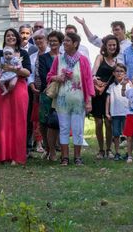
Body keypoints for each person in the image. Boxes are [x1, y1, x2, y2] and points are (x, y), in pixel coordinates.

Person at [46, 32, 94, 166]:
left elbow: (88, 81)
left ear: (75, 44)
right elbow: (49, 76)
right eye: (64, 41)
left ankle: (77, 157)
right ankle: (65, 157)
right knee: (64, 128)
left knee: (78, 129)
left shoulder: (83, 60)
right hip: (62, 101)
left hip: (79, 102)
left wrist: (89, 101)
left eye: (67, 41)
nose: (64, 43)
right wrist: (57, 78)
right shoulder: (58, 59)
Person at [0, 28, 31, 165]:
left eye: (13, 35)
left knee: (18, 121)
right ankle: (2, 156)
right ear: (4, 38)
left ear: (17, 38)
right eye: (8, 36)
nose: (10, 37)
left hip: (19, 88)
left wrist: (12, 70)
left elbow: (28, 72)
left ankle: (16, 157)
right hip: (2, 89)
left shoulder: (23, 53)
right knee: (2, 120)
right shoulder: (0, 53)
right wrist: (1, 77)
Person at [91, 34, 120, 159]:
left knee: (108, 122)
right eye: (110, 45)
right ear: (105, 46)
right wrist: (94, 78)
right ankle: (101, 149)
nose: (112, 47)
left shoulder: (117, 62)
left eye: (114, 45)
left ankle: (109, 149)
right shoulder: (100, 57)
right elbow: (94, 70)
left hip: (110, 95)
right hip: (98, 94)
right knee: (98, 123)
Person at [36, 31, 63, 161]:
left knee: (57, 121)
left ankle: (56, 148)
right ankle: (48, 149)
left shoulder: (64, 57)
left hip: (62, 93)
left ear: (60, 42)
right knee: (44, 122)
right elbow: (42, 75)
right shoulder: (43, 57)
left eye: (55, 41)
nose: (52, 43)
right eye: (50, 40)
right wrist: (56, 78)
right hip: (47, 92)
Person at [28, 29, 48, 155]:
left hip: (49, 90)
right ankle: (38, 143)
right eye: (36, 39)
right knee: (36, 118)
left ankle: (50, 146)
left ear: (46, 39)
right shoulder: (32, 56)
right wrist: (31, 84)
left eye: (41, 38)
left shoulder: (52, 54)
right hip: (35, 91)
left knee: (48, 119)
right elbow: (29, 73)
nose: (38, 41)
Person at [105, 63, 128, 160]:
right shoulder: (111, 86)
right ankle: (117, 152)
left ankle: (128, 152)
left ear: (125, 73)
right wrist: (107, 112)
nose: (119, 73)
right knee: (116, 134)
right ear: (113, 73)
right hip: (115, 113)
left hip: (126, 113)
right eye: (117, 71)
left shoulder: (128, 85)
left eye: (121, 71)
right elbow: (108, 100)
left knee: (127, 134)